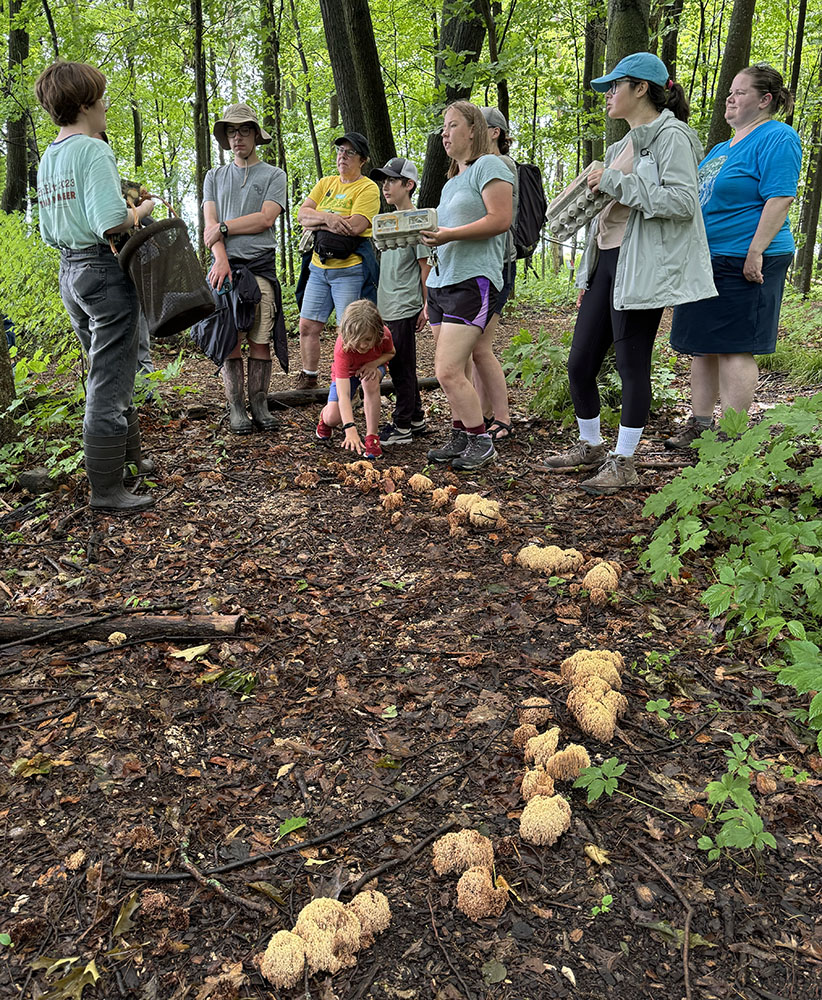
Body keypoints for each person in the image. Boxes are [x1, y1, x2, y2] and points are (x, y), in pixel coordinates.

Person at [543, 52, 716, 495]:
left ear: (641, 88)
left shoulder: (672, 136)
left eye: (614, 87)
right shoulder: (622, 145)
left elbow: (682, 202)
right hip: (607, 263)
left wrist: (615, 182)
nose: (607, 97)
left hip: (643, 267)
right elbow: (607, 212)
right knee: (580, 361)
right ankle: (591, 445)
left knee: (630, 362)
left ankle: (625, 461)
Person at [35, 61, 156, 512]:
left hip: (69, 272)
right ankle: (107, 490)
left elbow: (49, 230)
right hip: (103, 273)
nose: (106, 104)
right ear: (85, 103)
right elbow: (109, 222)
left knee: (109, 371)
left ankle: (130, 464)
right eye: (101, 96)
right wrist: (140, 211)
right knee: (109, 379)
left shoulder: (50, 156)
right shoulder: (93, 150)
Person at [666, 64, 802, 449]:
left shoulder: (777, 137)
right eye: (730, 91)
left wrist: (755, 251)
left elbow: (780, 198)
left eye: (740, 92)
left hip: (748, 258)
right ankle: (701, 424)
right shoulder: (721, 149)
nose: (730, 97)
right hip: (708, 259)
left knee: (734, 346)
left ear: (765, 100)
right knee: (703, 345)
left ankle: (732, 435)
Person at [420, 101, 514, 471]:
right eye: (443, 127)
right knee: (451, 370)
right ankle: (461, 433)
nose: (445, 133)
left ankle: (481, 439)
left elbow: (501, 219)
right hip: (442, 282)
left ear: (473, 129)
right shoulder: (452, 182)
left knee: (446, 370)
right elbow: (445, 232)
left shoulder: (490, 166)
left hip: (471, 281)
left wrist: (448, 234)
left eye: (453, 125)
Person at [203, 103, 287, 434]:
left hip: (260, 267)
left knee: (260, 336)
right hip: (224, 267)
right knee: (229, 338)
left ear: (255, 134)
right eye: (231, 132)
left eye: (244, 130)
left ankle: (260, 403)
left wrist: (224, 227)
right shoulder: (214, 176)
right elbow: (210, 225)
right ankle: (236, 407)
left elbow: (266, 218)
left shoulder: (274, 175)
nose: (237, 138)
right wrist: (220, 255)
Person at [296, 132, 381, 390]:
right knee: (308, 325)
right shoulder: (326, 183)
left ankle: (346, 383)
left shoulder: (367, 188)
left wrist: (319, 221)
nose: (342, 157)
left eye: (349, 153)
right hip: (318, 267)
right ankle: (309, 376)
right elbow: (302, 214)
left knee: (350, 330)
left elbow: (356, 226)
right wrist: (331, 219)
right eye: (340, 152)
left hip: (350, 270)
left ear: (363, 159)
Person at [369, 157, 430, 446]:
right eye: (384, 181)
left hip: (405, 304)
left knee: (401, 365)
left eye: (392, 180)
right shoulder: (389, 221)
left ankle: (402, 424)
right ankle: (416, 417)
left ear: (409, 185)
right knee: (401, 363)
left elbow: (425, 267)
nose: (386, 186)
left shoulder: (417, 221)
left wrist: (426, 305)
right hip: (388, 303)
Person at [474, 107, 519, 443]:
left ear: (495, 133)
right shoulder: (479, 167)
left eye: (479, 127)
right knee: (475, 345)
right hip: (484, 265)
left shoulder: (501, 166)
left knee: (481, 346)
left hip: (497, 265)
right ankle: (482, 414)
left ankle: (502, 417)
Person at [315, 299, 395, 459]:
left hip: (372, 367)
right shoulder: (342, 348)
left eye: (367, 339)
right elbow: (344, 395)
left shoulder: (384, 334)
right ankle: (324, 418)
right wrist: (349, 428)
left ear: (377, 333)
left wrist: (373, 364)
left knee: (370, 380)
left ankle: (372, 437)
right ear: (347, 333)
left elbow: (390, 352)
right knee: (334, 418)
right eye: (358, 340)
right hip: (347, 374)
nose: (363, 345)